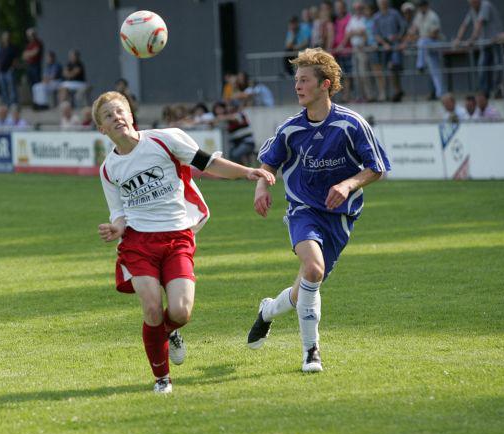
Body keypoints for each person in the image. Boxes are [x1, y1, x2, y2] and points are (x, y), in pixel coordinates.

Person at [94, 91, 275, 394]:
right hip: (138, 242)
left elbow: (208, 163)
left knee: (180, 313)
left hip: (177, 237)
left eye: (120, 111)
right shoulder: (108, 169)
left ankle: (170, 332)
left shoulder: (165, 139)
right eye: (109, 116)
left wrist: (247, 172)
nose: (117, 118)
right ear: (102, 129)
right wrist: (116, 227)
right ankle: (162, 379)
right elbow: (119, 213)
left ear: (131, 115)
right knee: (152, 308)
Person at [246, 48, 390, 373]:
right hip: (303, 210)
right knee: (312, 270)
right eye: (296, 80)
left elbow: (376, 168)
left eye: (305, 80)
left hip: (340, 217)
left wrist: (348, 185)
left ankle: (268, 310)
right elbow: (268, 164)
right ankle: (312, 352)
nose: (298, 86)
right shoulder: (290, 128)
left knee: (306, 288)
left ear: (325, 84)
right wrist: (261, 186)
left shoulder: (351, 124)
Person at [453, 0, 503, 97]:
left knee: (496, 67)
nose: (472, 4)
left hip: (495, 41)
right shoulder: (472, 9)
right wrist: (458, 39)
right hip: (484, 43)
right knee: (482, 66)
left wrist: (472, 39)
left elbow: (479, 23)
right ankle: (484, 92)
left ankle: (497, 90)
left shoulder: (485, 5)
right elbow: (464, 25)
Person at [407, 0, 444, 99]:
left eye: (422, 6)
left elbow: (434, 34)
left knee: (422, 41)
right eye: (419, 6)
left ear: (426, 6)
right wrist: (411, 34)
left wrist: (420, 37)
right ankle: (439, 93)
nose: (421, 8)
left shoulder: (433, 16)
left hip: (434, 43)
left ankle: (420, 65)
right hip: (425, 48)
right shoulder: (419, 15)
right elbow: (413, 29)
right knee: (434, 71)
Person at [373, 0, 407, 102]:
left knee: (394, 67)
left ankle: (397, 91)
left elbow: (403, 27)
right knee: (385, 70)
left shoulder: (394, 13)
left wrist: (398, 37)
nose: (382, 3)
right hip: (383, 48)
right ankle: (394, 92)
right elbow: (376, 34)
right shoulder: (376, 17)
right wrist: (385, 44)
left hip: (395, 46)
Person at [0, 31, 19, 106]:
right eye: (4, 37)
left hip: (9, 70)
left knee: (12, 87)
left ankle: (14, 103)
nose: (6, 39)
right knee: (3, 88)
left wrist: (12, 68)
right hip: (1, 71)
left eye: (7, 37)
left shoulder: (13, 47)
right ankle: (6, 103)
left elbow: (15, 59)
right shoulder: (1, 48)